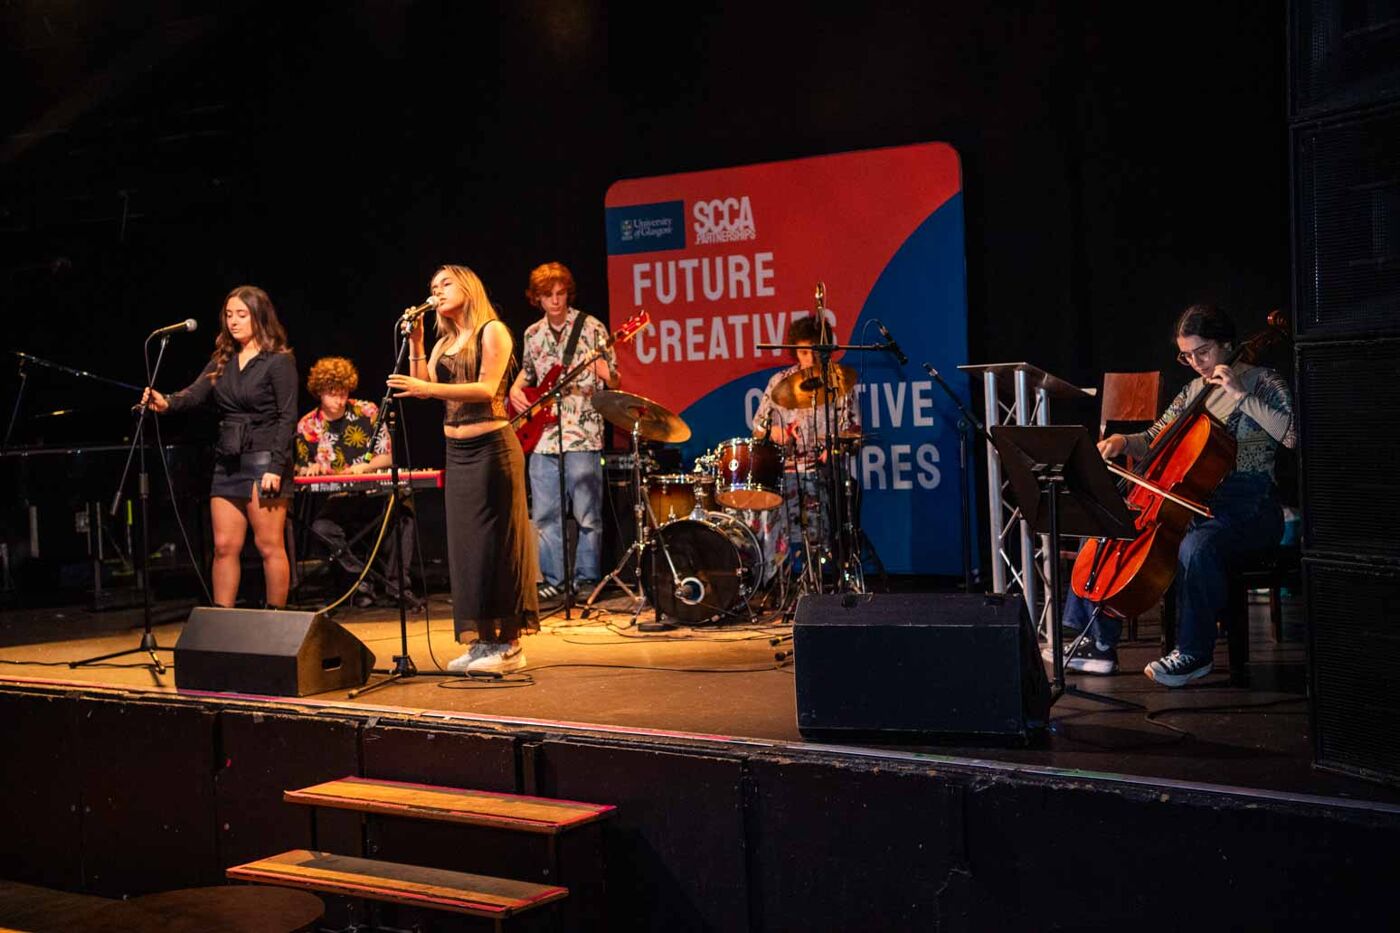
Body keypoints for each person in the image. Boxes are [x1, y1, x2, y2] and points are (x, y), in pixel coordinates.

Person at [1056, 303, 1297, 687]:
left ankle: (1194, 654)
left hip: (1249, 506)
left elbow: (1292, 435)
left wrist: (1239, 395)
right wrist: (1121, 441)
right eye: (1187, 355)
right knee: (1107, 522)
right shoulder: (1193, 392)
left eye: (1203, 352)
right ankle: (1099, 645)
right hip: (1198, 504)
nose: (1197, 362)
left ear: (1227, 344)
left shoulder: (1263, 382)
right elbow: (1155, 439)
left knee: (1196, 548)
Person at [388, 264, 537, 674]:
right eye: (432, 286)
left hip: (492, 450)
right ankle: (480, 640)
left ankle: (509, 644)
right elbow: (420, 383)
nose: (436, 291)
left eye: (445, 283)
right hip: (457, 454)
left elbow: (488, 389)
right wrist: (417, 342)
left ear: (469, 287)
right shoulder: (444, 343)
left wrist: (427, 388)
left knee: (496, 547)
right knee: (467, 550)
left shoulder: (493, 330)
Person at [143, 285, 297, 609]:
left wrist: (275, 467)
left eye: (242, 315)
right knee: (225, 545)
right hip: (228, 462)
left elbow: (287, 417)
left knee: (269, 544)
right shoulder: (222, 360)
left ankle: (276, 620)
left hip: (264, 460)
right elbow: (195, 393)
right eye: (229, 315)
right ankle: (222, 621)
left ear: (259, 317)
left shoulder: (278, 361)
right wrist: (166, 402)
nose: (234, 322)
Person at [507, 262, 620, 602]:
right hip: (542, 438)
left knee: (587, 513)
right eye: (547, 295)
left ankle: (587, 580)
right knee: (544, 515)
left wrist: (606, 372)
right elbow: (530, 374)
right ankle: (554, 580)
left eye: (560, 294)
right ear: (537, 299)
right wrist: (514, 388)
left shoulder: (592, 327)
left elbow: (614, 381)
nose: (555, 301)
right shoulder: (531, 334)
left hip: (582, 432)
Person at [293, 356, 416, 608]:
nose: (339, 399)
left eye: (343, 392)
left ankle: (397, 586)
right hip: (339, 499)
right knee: (322, 528)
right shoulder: (308, 425)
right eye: (331, 394)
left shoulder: (367, 411)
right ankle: (363, 580)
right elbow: (300, 467)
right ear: (319, 392)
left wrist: (366, 466)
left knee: (403, 513)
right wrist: (311, 468)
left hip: (373, 493)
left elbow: (388, 456)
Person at [751, 314, 860, 575]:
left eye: (813, 351)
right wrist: (773, 431)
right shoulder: (779, 383)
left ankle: (821, 573)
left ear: (824, 350)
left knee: (821, 497)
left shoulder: (840, 383)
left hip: (823, 471)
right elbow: (757, 428)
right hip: (785, 471)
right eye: (802, 352)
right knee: (765, 499)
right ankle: (780, 575)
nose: (808, 359)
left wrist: (834, 448)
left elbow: (852, 432)